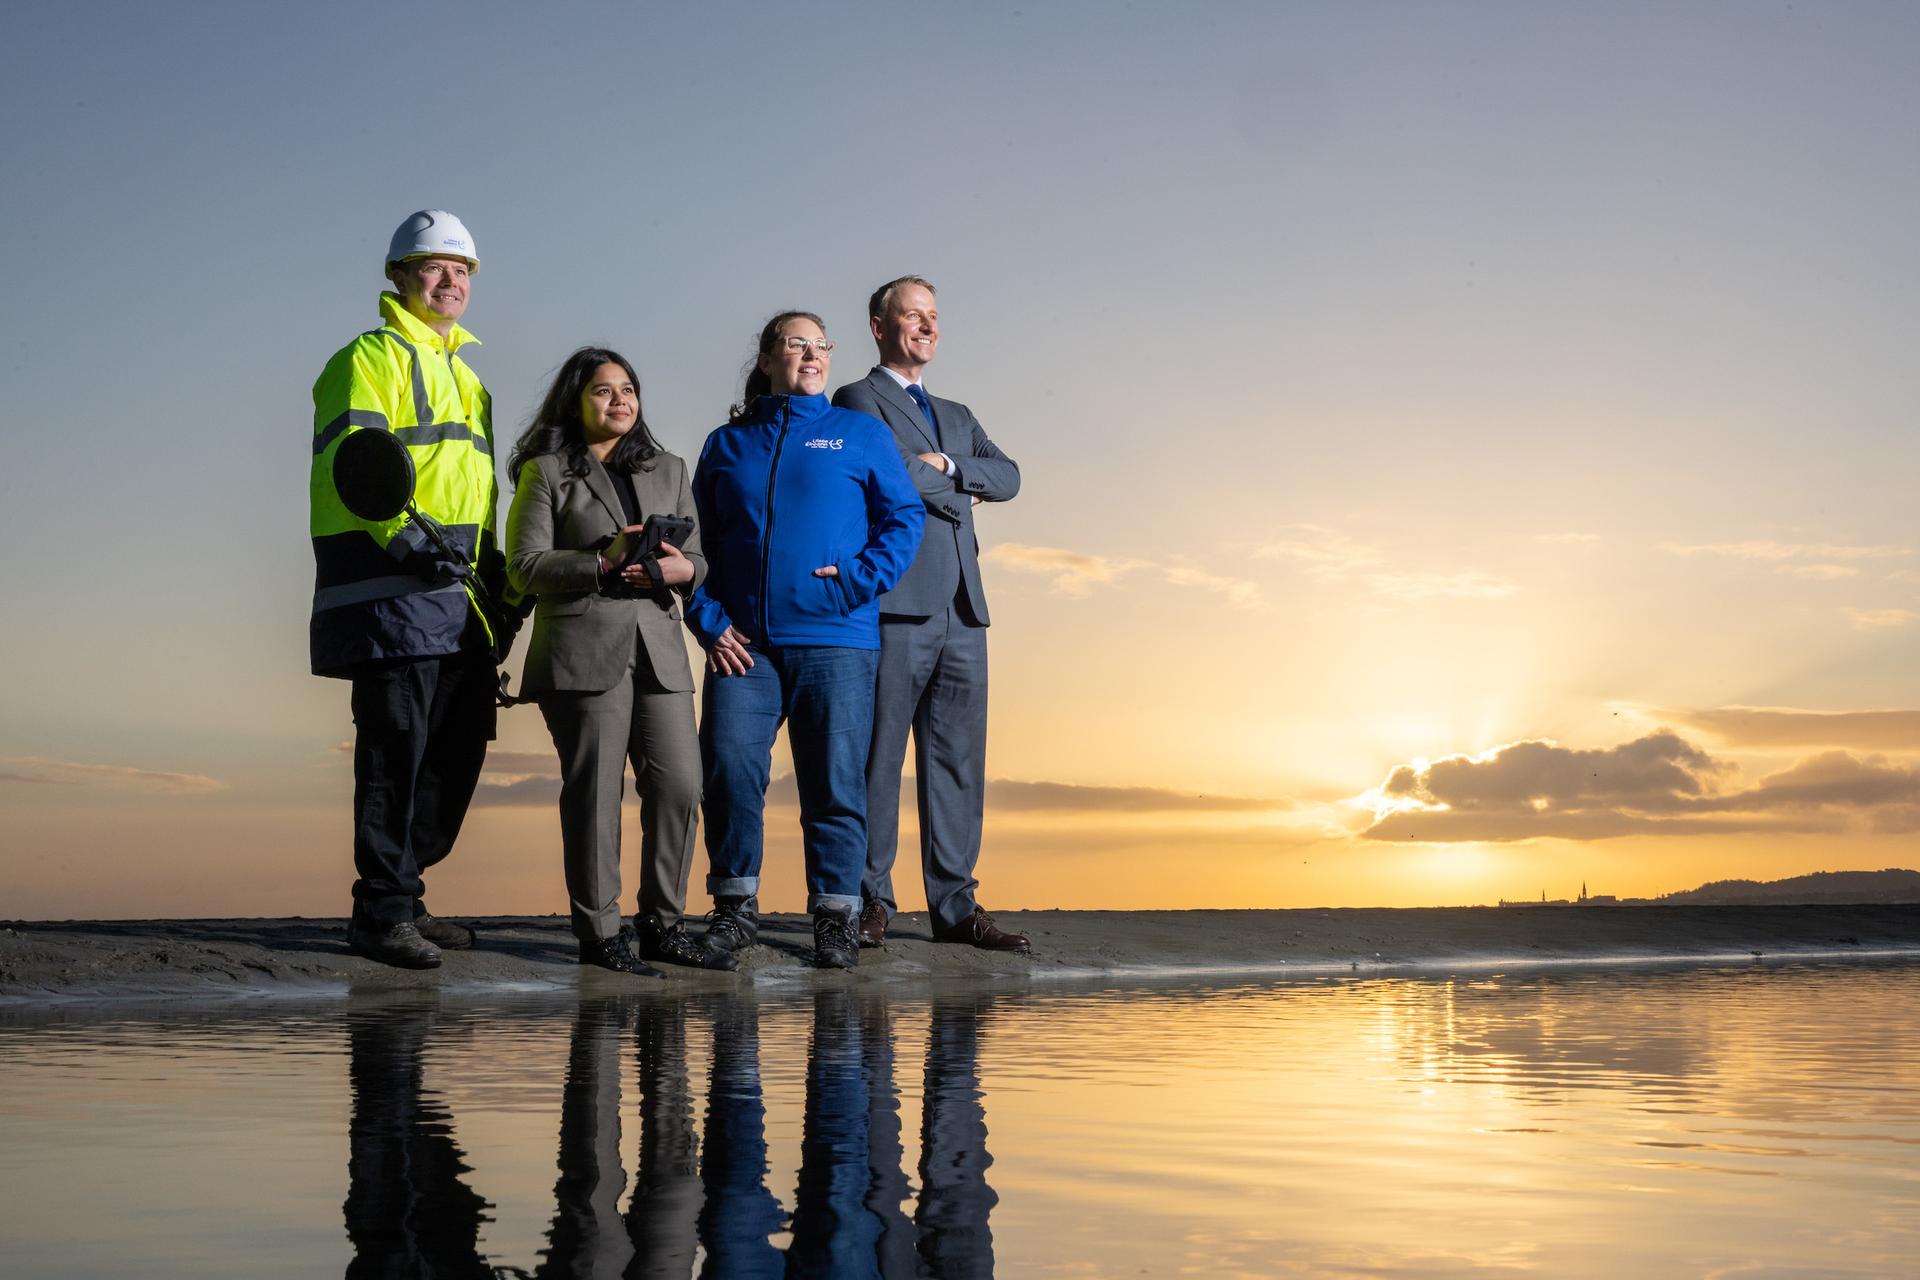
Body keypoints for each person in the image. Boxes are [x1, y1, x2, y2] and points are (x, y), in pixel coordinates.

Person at [685, 311, 924, 969]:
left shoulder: (859, 435)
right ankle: (735, 912)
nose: (812, 354)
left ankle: (836, 916)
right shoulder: (726, 445)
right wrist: (707, 622)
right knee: (730, 772)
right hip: (745, 647)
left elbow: (904, 520)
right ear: (767, 359)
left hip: (838, 641)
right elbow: (693, 548)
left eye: (821, 345)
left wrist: (857, 581)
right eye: (796, 343)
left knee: (834, 784)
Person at [310, 210, 504, 970]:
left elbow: (478, 493)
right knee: (396, 749)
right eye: (433, 266)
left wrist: (491, 578)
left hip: (459, 596)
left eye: (462, 270)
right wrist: (412, 547)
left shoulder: (469, 377)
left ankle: (408, 892)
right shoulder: (366, 357)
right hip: (394, 590)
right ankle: (381, 909)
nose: (450, 280)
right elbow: (355, 471)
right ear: (399, 276)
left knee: (453, 751)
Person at [505, 348, 726, 977]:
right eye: (603, 391)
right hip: (582, 650)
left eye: (628, 389)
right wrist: (603, 560)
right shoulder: (547, 472)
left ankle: (663, 924)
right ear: (575, 401)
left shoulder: (671, 468)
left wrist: (686, 570)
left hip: (659, 648)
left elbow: (700, 561)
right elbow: (524, 568)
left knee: (681, 784)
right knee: (596, 794)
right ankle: (600, 934)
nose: (620, 400)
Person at [833, 277, 1029, 953]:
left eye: (933, 317)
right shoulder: (858, 398)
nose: (926, 326)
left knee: (956, 763)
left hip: (963, 612)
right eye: (911, 315)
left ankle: (954, 906)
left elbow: (1009, 477)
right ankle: (870, 900)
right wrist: (959, 488)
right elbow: (890, 473)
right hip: (897, 605)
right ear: (879, 326)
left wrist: (947, 464)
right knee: (877, 759)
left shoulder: (958, 411)